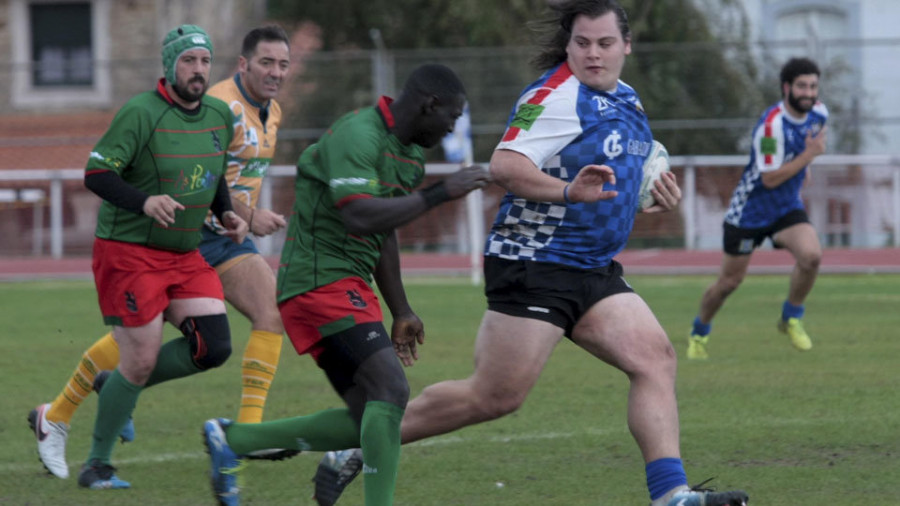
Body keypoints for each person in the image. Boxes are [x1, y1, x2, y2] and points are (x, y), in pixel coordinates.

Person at [309, 2, 750, 506]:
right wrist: (568, 193)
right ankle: (357, 442)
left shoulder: (627, 99)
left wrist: (651, 194)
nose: (594, 54)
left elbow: (625, 167)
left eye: (605, 43)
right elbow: (504, 165)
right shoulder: (555, 96)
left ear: (626, 45)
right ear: (568, 45)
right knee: (494, 397)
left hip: (591, 267)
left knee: (655, 358)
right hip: (535, 263)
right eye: (582, 43)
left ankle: (671, 494)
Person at [202, 63, 491, 506]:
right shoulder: (360, 134)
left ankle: (234, 439)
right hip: (319, 278)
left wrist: (402, 310)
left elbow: (384, 231)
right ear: (429, 104)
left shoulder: (409, 155)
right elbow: (359, 214)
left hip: (347, 282)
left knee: (370, 419)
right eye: (452, 116)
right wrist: (441, 193)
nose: (453, 127)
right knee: (392, 391)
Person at [27, 25, 295, 480]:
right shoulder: (147, 112)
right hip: (133, 249)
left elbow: (212, 174)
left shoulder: (219, 114)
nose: (197, 70)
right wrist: (146, 201)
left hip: (187, 246)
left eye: (203, 61)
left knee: (209, 344)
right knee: (140, 352)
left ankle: (111, 395)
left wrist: (231, 214)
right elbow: (97, 174)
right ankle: (91, 455)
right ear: (170, 66)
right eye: (188, 61)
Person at [687, 57, 827, 360]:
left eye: (813, 86)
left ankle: (791, 317)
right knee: (729, 283)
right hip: (749, 212)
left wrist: (806, 165)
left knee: (812, 256)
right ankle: (699, 332)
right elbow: (770, 177)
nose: (809, 92)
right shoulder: (770, 127)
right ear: (786, 87)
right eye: (802, 86)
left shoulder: (819, 114)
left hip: (786, 208)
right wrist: (808, 157)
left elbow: (803, 150)